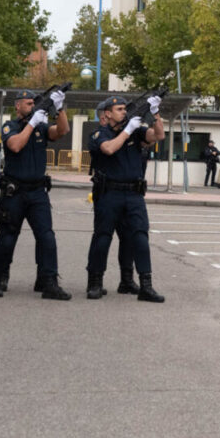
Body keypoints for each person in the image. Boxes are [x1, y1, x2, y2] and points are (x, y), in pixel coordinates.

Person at [0, 89, 72, 300]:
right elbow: (15, 146)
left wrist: (60, 109)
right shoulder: (10, 126)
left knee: (46, 237)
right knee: (8, 237)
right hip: (14, 192)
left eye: (34, 103)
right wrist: (32, 122)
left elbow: (62, 131)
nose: (32, 106)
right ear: (17, 106)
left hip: (37, 192)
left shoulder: (41, 127)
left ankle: (48, 280)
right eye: (28, 103)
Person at [86, 95, 167, 303]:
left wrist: (156, 114)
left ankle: (145, 285)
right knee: (103, 237)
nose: (124, 112)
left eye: (125, 109)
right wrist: (128, 129)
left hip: (133, 194)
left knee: (139, 237)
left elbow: (158, 136)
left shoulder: (136, 131)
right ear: (107, 114)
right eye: (119, 109)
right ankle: (95, 282)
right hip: (109, 194)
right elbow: (109, 149)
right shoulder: (99, 133)